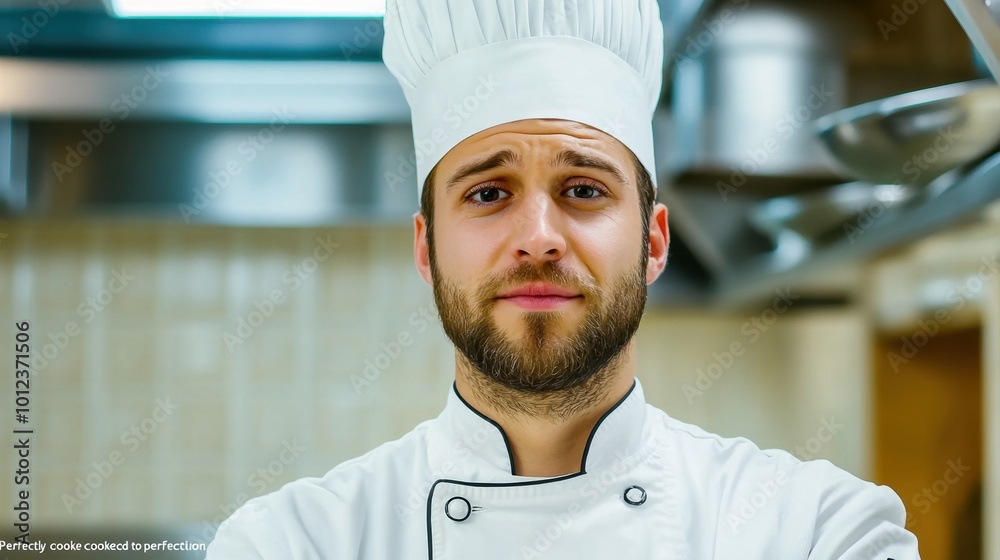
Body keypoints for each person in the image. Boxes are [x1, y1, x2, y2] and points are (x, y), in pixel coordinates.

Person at [206, 0, 921, 558]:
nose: (539, 240)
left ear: (653, 241)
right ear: (426, 250)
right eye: (488, 194)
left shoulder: (817, 533)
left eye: (583, 190)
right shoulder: (291, 543)